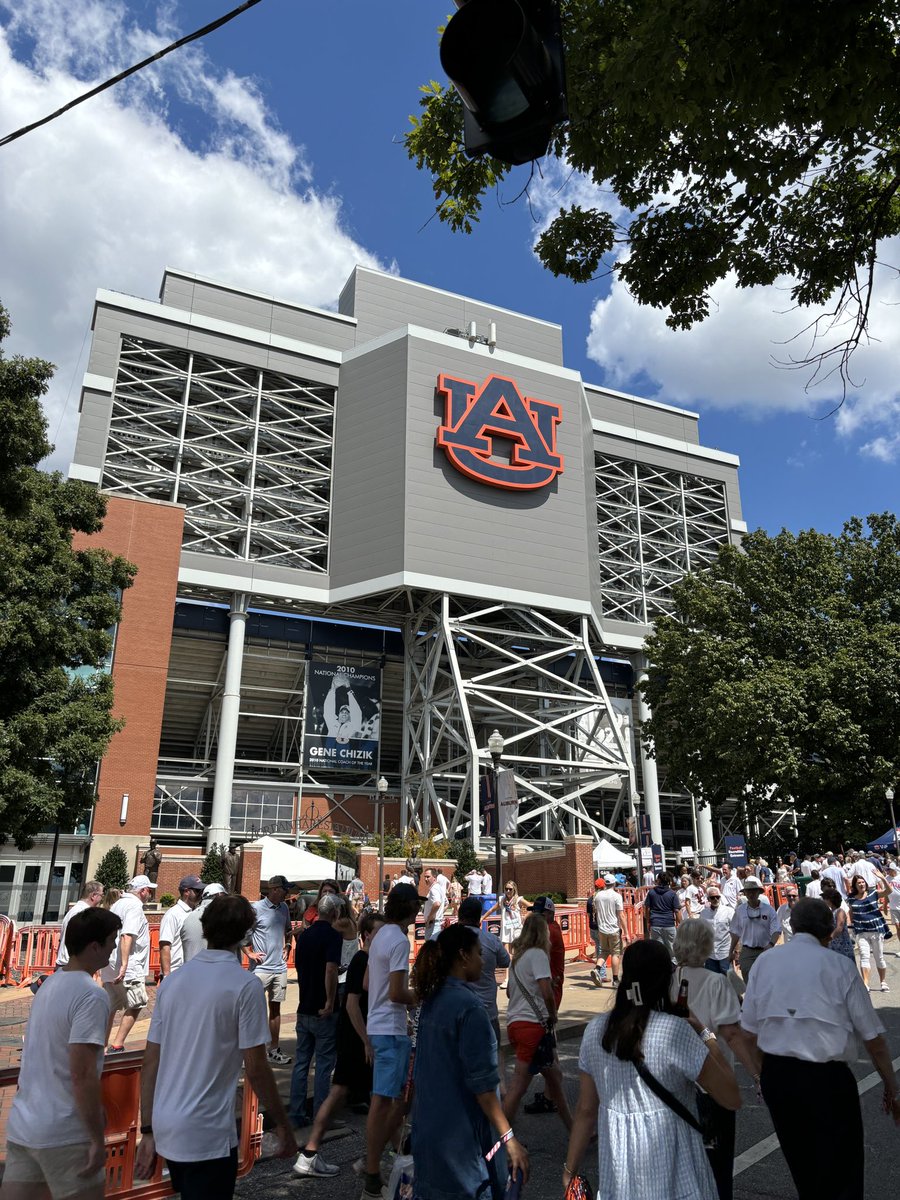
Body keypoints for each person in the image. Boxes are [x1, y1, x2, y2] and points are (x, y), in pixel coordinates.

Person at [135, 895, 297, 1198]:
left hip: (167, 1123)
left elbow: (151, 1061)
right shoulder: (244, 986)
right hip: (207, 1131)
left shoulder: (172, 982)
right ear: (246, 933)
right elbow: (257, 1067)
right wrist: (282, 1123)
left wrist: (147, 1130)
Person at [740, 898, 900, 1199]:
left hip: (779, 1075)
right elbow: (873, 1038)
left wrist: (762, 1074)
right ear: (830, 932)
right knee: (843, 1169)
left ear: (794, 925)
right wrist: (892, 1087)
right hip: (828, 1078)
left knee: (803, 1167)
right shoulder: (839, 965)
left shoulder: (765, 962)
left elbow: (748, 1033)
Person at [563, 939, 740, 1200]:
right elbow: (731, 1097)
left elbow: (586, 1110)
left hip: (620, 1173)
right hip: (676, 1172)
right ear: (665, 981)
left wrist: (569, 1170)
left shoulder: (595, 1031)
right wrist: (703, 1032)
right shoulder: (675, 1031)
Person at [2, 908, 121, 1200]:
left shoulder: (49, 985)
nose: (115, 946)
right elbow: (82, 1072)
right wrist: (95, 1136)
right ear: (95, 946)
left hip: (25, 1124)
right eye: (111, 941)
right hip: (66, 1132)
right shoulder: (91, 995)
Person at [411, 926, 530, 1200]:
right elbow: (485, 1089)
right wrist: (509, 1138)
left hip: (428, 1135)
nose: (483, 959)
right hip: (462, 1146)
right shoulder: (470, 1009)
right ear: (463, 956)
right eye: (478, 953)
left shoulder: (431, 1001)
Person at [671, 921, 759, 1200]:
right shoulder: (717, 981)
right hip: (712, 1081)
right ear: (707, 946)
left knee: (683, 1158)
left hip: (675, 1079)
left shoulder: (668, 980)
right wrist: (756, 1074)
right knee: (716, 1161)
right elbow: (732, 1034)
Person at [293, 911, 385, 1178]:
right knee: (368, 1096)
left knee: (377, 1098)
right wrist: (366, 1040)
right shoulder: (361, 960)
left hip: (361, 1036)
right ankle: (375, 1159)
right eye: (379, 931)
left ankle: (372, 1157)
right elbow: (352, 1004)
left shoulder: (370, 961)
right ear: (367, 934)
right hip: (356, 1038)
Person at [361, 882, 421, 1200]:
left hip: (378, 1023)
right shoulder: (398, 939)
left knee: (389, 1100)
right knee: (384, 1102)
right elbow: (398, 993)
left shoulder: (381, 934)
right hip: (391, 1029)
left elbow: (370, 983)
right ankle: (370, 1169)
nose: (420, 909)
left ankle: (384, 1155)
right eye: (417, 904)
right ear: (409, 907)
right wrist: (422, 993)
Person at [502, 914, 572, 1131]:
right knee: (519, 1086)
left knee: (555, 1077)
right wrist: (553, 1014)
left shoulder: (518, 959)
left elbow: (510, 994)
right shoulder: (538, 955)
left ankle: (574, 1127)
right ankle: (500, 1137)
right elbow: (546, 991)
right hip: (533, 1025)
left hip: (516, 1023)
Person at [289, 892, 343, 1128]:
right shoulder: (333, 936)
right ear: (334, 912)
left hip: (304, 1005)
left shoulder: (305, 935)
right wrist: (330, 1001)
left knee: (301, 1062)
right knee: (323, 1064)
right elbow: (330, 969)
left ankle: (297, 1113)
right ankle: (322, 1116)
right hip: (322, 1008)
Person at [101, 873, 156, 1051]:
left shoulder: (118, 904)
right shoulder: (134, 907)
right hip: (129, 965)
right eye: (149, 891)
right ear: (143, 891)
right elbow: (127, 935)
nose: (150, 894)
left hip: (110, 964)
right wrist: (124, 964)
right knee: (137, 1002)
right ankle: (117, 1044)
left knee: (111, 1005)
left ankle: (102, 1044)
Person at [458, 896, 510, 1074]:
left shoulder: (447, 939)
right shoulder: (491, 940)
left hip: (459, 1013)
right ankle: (499, 1091)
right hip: (487, 1010)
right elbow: (505, 961)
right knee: (493, 1056)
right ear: (479, 917)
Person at [246, 875, 294, 1065]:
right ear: (274, 889)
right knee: (253, 1010)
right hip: (260, 969)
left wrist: (288, 946)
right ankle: (250, 1051)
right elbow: (244, 934)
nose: (287, 893)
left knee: (276, 1009)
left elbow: (288, 931)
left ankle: (273, 1049)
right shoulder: (256, 909)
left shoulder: (284, 908)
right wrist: (249, 953)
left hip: (279, 968)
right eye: (285, 889)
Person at [727, 875, 781, 981]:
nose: (751, 894)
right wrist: (731, 951)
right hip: (747, 951)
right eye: (748, 891)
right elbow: (735, 933)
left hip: (765, 950)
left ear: (758, 893)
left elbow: (776, 930)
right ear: (745, 894)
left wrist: (771, 944)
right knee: (749, 981)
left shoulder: (769, 910)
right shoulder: (740, 910)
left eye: (753, 891)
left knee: (766, 981)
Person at [847, 873, 889, 991]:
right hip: (861, 931)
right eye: (859, 883)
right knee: (864, 957)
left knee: (879, 957)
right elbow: (851, 912)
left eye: (863, 882)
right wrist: (850, 924)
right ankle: (865, 984)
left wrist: (882, 878)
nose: (861, 884)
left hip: (876, 930)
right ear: (855, 886)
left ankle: (883, 981)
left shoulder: (873, 893)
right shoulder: (851, 898)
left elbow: (888, 891)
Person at [158, 874, 203, 976]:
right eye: (197, 891)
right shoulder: (173, 914)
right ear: (186, 891)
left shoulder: (195, 913)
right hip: (175, 972)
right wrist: (166, 975)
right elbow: (165, 945)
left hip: (190, 971)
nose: (201, 894)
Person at [484, 881, 525, 987]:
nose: (507, 891)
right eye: (506, 889)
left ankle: (518, 977)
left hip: (516, 929)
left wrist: (526, 916)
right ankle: (507, 979)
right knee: (507, 955)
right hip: (506, 929)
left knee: (516, 954)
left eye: (510, 889)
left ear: (514, 889)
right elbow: (492, 909)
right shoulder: (502, 900)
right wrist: (482, 918)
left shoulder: (518, 900)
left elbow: (532, 907)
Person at [55, 880, 104, 969]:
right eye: (101, 895)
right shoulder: (84, 913)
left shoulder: (74, 910)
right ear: (93, 896)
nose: (102, 899)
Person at [590, 877, 629, 988]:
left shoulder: (598, 896)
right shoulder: (616, 896)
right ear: (614, 883)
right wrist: (626, 932)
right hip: (613, 929)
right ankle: (615, 979)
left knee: (604, 951)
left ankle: (597, 969)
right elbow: (621, 915)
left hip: (602, 928)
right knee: (615, 953)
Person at [529, 895, 565, 1008]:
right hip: (544, 982)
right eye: (534, 912)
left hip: (550, 985)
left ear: (550, 913)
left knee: (545, 1022)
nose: (534, 916)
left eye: (539, 914)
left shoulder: (550, 930)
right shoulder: (545, 928)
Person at [181, 882, 228, 962]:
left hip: (190, 971)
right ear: (220, 896)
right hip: (214, 971)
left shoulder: (188, 917)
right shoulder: (223, 916)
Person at [641, 871, 682, 957]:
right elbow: (677, 911)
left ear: (658, 880)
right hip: (669, 924)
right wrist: (681, 924)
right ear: (669, 881)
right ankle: (672, 968)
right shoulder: (672, 894)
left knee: (657, 949)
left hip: (655, 924)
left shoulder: (651, 892)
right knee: (672, 950)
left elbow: (647, 908)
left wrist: (648, 921)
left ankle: (660, 967)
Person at [699, 886, 734, 974]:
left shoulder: (729, 911)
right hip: (710, 954)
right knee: (712, 981)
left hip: (725, 953)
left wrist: (736, 952)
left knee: (729, 980)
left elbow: (736, 932)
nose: (715, 899)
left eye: (717, 897)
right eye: (712, 897)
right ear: (708, 899)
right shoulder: (704, 913)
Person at [822, 886, 855, 961]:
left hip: (843, 946)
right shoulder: (830, 912)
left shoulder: (840, 911)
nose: (824, 900)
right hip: (833, 947)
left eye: (825, 898)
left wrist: (828, 939)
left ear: (831, 900)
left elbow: (839, 928)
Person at [422, 867, 446, 941]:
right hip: (436, 923)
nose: (426, 879)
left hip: (433, 925)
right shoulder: (439, 888)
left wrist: (429, 918)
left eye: (428, 877)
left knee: (431, 951)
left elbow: (437, 904)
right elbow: (446, 904)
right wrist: (439, 913)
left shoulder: (434, 889)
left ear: (434, 877)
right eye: (425, 877)